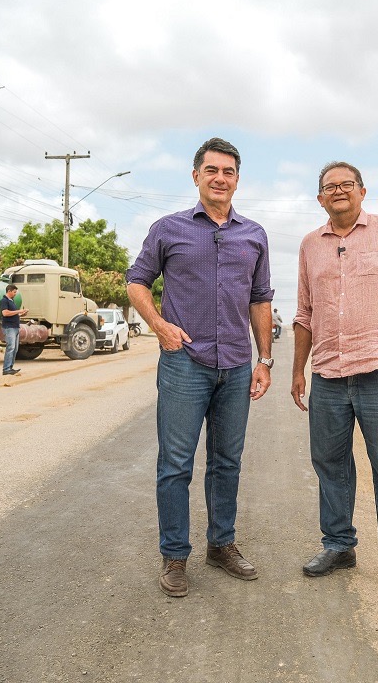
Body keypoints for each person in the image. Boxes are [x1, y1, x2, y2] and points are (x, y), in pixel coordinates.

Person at [127, 137, 274, 598]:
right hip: (184, 364)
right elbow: (136, 282)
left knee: (227, 462)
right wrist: (159, 326)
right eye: (211, 170)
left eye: (228, 172)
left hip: (236, 364)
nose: (220, 178)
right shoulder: (168, 229)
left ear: (237, 180)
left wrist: (265, 359)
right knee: (175, 464)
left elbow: (260, 300)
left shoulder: (254, 235)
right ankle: (174, 556)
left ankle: (221, 544)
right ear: (196, 176)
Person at [290, 161, 378, 590]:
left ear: (362, 191)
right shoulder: (310, 245)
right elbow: (304, 312)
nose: (339, 191)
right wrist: (298, 370)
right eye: (330, 187)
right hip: (328, 374)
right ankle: (339, 545)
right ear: (320, 199)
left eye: (347, 184)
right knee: (330, 463)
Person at [0, 284, 28, 376]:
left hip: (15, 327)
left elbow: (13, 314)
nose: (15, 294)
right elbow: (5, 313)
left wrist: (21, 314)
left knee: (15, 348)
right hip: (9, 327)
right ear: (9, 291)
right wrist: (19, 311)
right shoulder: (4, 301)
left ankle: (10, 367)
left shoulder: (12, 301)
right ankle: (6, 368)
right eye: (14, 292)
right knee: (11, 347)